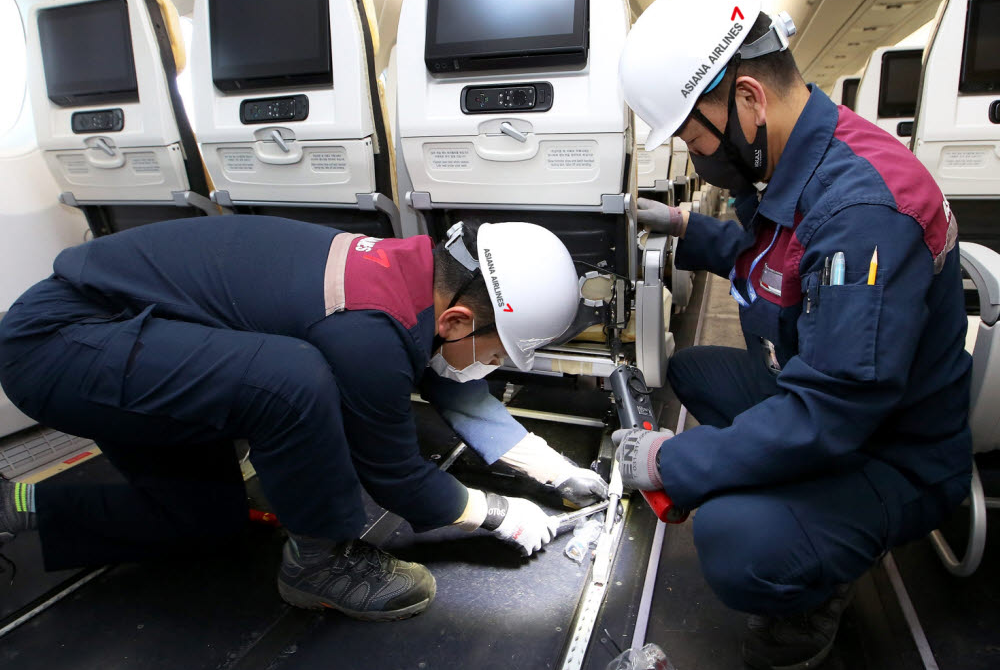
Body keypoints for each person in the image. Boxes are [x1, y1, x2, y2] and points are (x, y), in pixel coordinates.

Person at [0, 216, 607, 621]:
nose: (493, 366)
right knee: (292, 380)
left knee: (203, 522)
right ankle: (316, 565)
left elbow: (439, 378)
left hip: (127, 339)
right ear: (456, 322)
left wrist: (549, 469)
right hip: (64, 344)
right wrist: (501, 514)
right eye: (497, 352)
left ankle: (17, 507)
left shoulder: (417, 278)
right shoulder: (369, 328)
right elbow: (397, 477)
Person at [614, 0, 971, 669]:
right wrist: (687, 228)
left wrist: (671, 462)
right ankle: (788, 494)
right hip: (827, 396)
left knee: (731, 537)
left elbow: (829, 412)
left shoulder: (863, 209)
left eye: (694, 137)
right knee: (692, 372)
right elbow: (774, 262)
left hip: (894, 452)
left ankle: (809, 602)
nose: (697, 160)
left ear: (748, 99)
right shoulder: (802, 160)